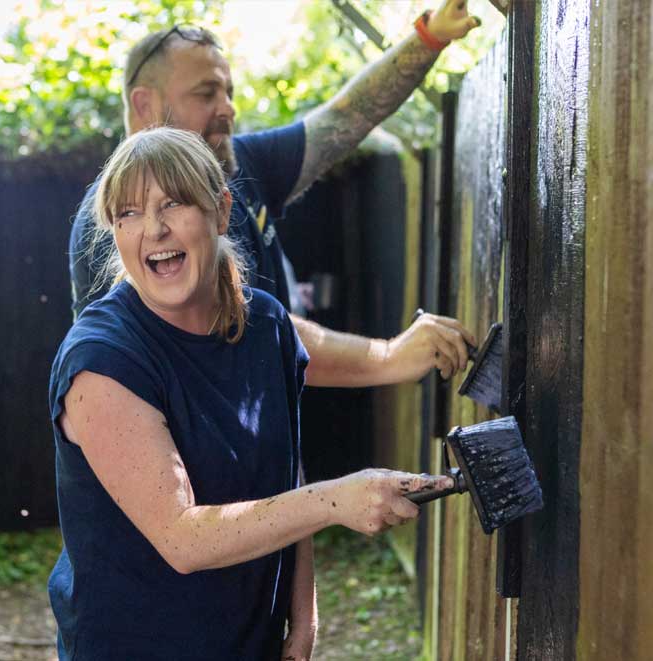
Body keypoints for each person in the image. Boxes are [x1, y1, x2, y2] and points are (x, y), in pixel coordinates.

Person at [49, 127, 454, 659]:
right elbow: (184, 539)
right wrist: (337, 501)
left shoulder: (265, 323)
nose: (153, 229)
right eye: (127, 214)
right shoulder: (102, 361)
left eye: (173, 203)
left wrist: (303, 613)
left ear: (220, 211)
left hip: (249, 643)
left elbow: (285, 468)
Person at [70, 1, 487, 387]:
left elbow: (343, 121)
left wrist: (430, 36)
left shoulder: (232, 162)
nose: (228, 108)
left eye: (228, 92)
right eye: (206, 93)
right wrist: (389, 356)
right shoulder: (108, 221)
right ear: (144, 106)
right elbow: (241, 327)